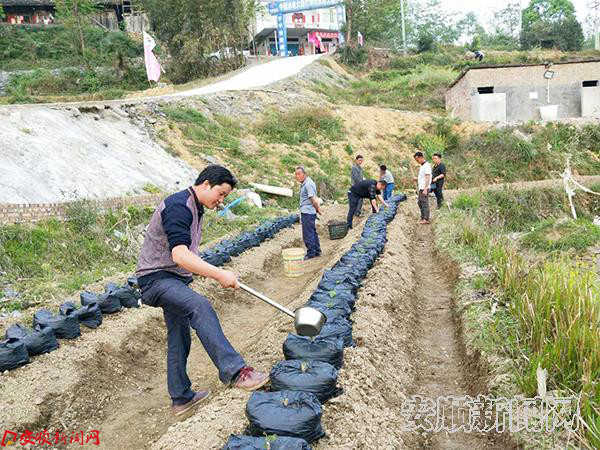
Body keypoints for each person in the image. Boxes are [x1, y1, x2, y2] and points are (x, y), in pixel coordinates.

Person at [135, 165, 269, 417]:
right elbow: (179, 254)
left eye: (225, 197)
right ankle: (236, 371)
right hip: (157, 279)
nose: (221, 200)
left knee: (179, 336)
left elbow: (185, 256)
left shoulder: (195, 207)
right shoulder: (178, 206)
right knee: (200, 306)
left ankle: (181, 398)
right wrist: (219, 274)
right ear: (205, 184)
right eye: (220, 193)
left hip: (172, 279)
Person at [294, 166, 322, 260]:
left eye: (299, 174)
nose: (297, 176)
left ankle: (311, 253)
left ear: (304, 174)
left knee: (308, 233)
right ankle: (317, 251)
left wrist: (318, 209)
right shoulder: (306, 183)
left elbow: (313, 199)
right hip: (309, 211)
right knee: (312, 231)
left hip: (308, 212)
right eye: (296, 174)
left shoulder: (308, 184)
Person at [413, 152, 432, 225]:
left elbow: (427, 178)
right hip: (421, 187)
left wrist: (425, 189)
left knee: (424, 203)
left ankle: (426, 219)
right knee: (420, 202)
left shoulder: (427, 166)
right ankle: (423, 217)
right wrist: (416, 179)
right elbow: (422, 178)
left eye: (417, 159)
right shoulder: (422, 166)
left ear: (421, 157)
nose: (417, 161)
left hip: (424, 188)